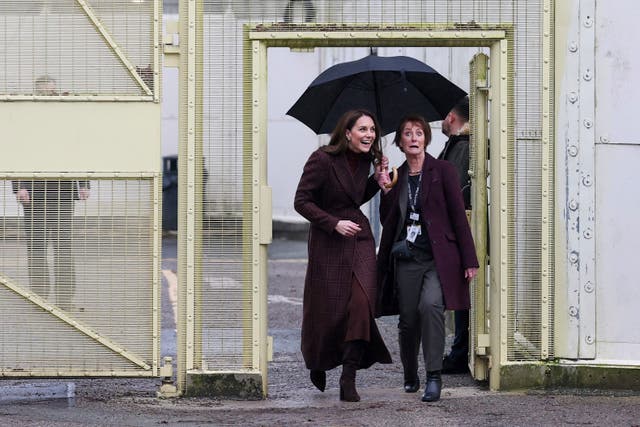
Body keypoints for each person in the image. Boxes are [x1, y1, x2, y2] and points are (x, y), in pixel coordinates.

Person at [375, 114, 478, 402]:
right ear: (400, 142)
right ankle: (411, 373)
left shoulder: (443, 170)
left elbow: (458, 217)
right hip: (408, 258)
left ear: (426, 140)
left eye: (419, 133)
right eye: (407, 134)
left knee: (432, 306)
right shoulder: (397, 176)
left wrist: (469, 259)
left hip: (438, 259)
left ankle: (434, 376)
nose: (414, 138)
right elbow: (388, 221)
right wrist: (385, 190)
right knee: (408, 320)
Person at [294, 109, 392, 402]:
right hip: (329, 240)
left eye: (372, 130)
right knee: (328, 309)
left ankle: (348, 377)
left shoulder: (367, 161)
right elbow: (301, 201)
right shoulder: (321, 159)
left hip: (359, 237)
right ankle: (318, 360)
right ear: (347, 133)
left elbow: (354, 197)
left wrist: (378, 179)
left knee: (362, 304)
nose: (369, 135)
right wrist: (332, 223)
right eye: (363, 129)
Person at [12, 75, 90, 310]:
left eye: (51, 93)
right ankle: (39, 296)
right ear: (36, 94)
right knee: (36, 247)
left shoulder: (67, 120)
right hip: (33, 192)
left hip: (63, 191)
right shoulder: (25, 120)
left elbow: (81, 149)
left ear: (57, 93)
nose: (48, 97)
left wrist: (84, 183)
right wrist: (19, 186)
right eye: (43, 93)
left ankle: (64, 298)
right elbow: (16, 152)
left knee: (63, 246)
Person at [438, 96, 472, 374]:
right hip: (462, 231)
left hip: (458, 233)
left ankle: (460, 352)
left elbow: (455, 191)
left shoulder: (461, 147)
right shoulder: (462, 145)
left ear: (451, 117)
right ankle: (461, 350)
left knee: (461, 295)